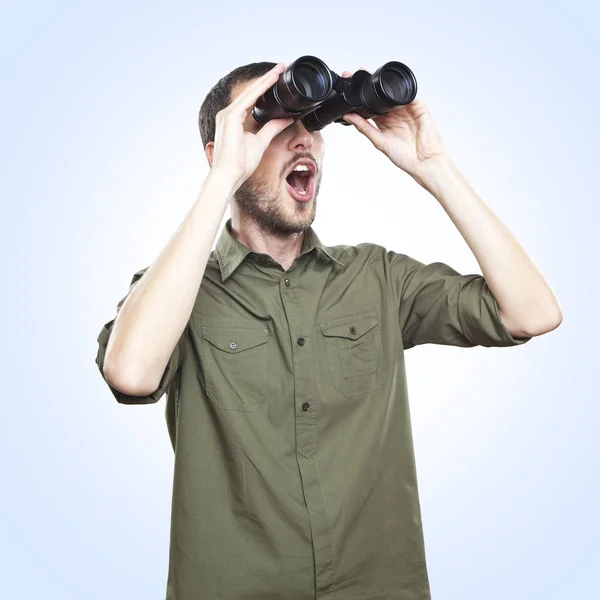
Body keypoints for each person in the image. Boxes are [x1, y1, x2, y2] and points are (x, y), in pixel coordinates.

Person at [95, 61, 562, 599]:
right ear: (220, 149)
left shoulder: (377, 276)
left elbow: (533, 313)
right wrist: (221, 177)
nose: (301, 141)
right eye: (271, 122)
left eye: (312, 124)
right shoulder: (173, 294)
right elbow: (129, 374)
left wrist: (435, 167)